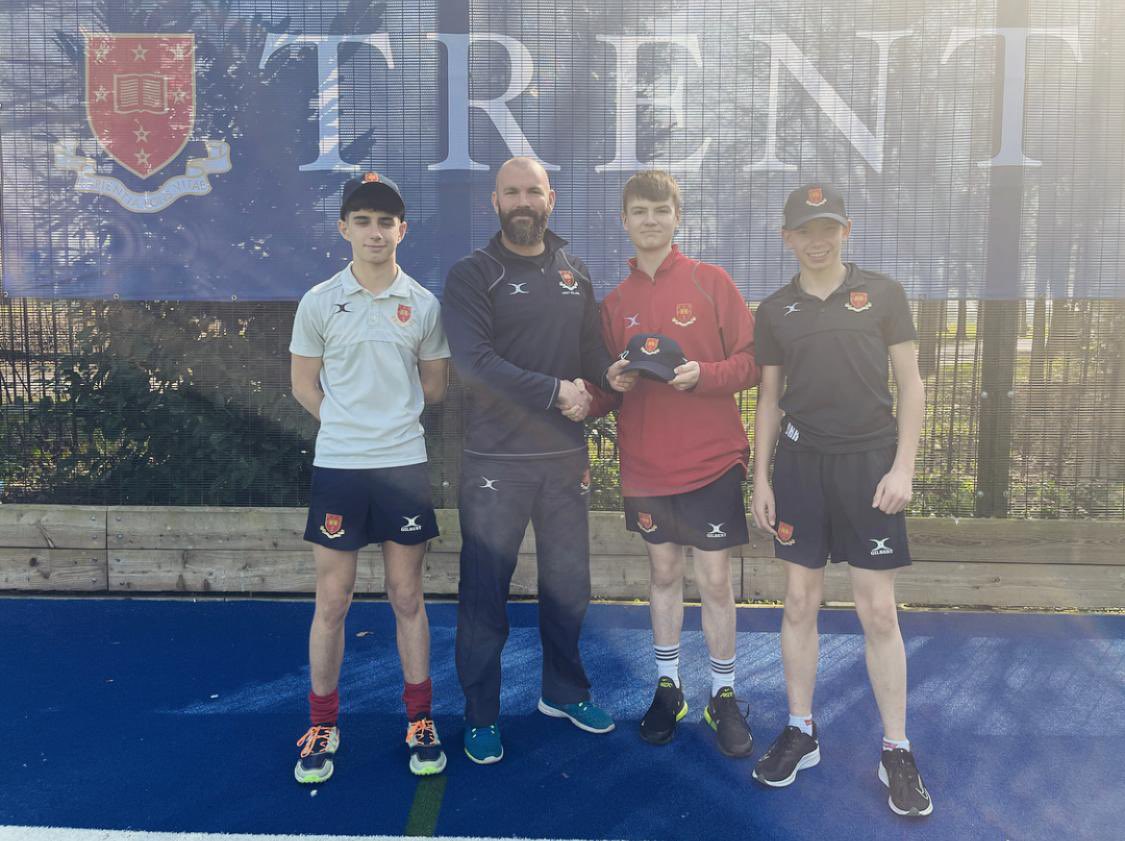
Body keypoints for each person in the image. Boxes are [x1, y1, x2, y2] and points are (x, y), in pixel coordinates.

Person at [750, 183, 932, 817]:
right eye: (805, 230)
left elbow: (911, 385)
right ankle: (801, 730)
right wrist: (761, 477)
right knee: (800, 601)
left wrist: (903, 467)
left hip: (870, 469)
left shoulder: (883, 293)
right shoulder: (775, 310)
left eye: (828, 227)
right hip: (801, 469)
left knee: (877, 611)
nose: (817, 240)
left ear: (846, 230)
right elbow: (769, 399)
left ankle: (896, 749)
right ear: (788, 238)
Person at [442, 156, 617, 765]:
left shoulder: (575, 270)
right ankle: (481, 715)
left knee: (569, 587)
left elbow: (592, 355)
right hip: (495, 462)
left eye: (533, 191)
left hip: (564, 461)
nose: (523, 201)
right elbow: (474, 364)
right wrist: (555, 392)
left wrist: (611, 380)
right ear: (494, 202)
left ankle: (563, 693)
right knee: (484, 594)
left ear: (551, 199)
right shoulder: (473, 274)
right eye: (511, 192)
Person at [289, 172, 451, 783]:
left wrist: (387, 426)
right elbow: (303, 385)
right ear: (344, 229)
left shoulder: (424, 305)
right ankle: (322, 724)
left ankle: (420, 719)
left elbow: (434, 387)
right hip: (339, 468)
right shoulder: (318, 301)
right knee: (332, 601)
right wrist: (349, 426)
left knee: (407, 597)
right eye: (363, 221)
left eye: (386, 222)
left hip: (403, 466)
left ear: (401, 230)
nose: (375, 232)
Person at [593, 170, 760, 757]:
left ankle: (723, 694)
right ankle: (669, 688)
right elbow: (607, 389)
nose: (650, 220)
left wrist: (704, 376)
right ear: (624, 221)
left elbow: (752, 361)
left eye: (660, 210)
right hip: (647, 466)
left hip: (712, 461)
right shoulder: (615, 304)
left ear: (677, 218)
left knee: (713, 580)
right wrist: (609, 384)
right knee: (663, 576)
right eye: (639, 211)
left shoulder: (711, 282)